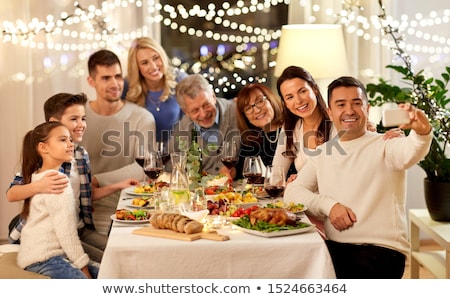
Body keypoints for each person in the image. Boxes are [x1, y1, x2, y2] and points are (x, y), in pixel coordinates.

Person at [284, 76, 432, 278]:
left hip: (381, 252)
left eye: (356, 103)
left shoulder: (386, 144)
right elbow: (292, 193)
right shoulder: (324, 152)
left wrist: (422, 132)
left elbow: (411, 149)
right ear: (330, 111)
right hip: (336, 248)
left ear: (367, 108)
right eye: (341, 104)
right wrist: (329, 206)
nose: (349, 111)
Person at [6, 93, 138, 263]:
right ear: (54, 122)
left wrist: (119, 185)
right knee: (110, 261)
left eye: (83, 118)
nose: (81, 125)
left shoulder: (81, 155)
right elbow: (11, 193)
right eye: (74, 119)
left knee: (120, 251)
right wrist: (40, 185)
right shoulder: (43, 155)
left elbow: (86, 194)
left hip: (78, 228)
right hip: (51, 234)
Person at [16, 121, 98, 279]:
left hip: (49, 255)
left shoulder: (39, 176)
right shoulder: (57, 181)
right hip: (44, 258)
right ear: (43, 148)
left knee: (109, 275)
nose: (70, 144)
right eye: (62, 140)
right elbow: (66, 233)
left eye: (70, 140)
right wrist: (83, 267)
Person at [81, 49, 156, 188]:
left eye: (118, 76)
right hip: (86, 202)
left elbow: (146, 167)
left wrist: (96, 180)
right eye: (106, 78)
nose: (115, 84)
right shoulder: (78, 116)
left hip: (130, 203)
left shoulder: (142, 117)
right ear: (91, 81)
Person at [171, 74, 240, 175]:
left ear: (213, 96)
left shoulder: (237, 112)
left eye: (206, 104)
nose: (203, 114)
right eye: (195, 110)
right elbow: (174, 168)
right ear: (185, 111)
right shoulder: (182, 129)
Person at [124, 37, 187, 142]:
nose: (153, 66)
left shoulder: (179, 79)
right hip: (141, 153)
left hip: (175, 153)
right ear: (137, 67)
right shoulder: (127, 85)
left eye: (156, 58)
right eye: (145, 63)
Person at [234, 83, 296, 179]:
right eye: (248, 108)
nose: (257, 110)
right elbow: (241, 175)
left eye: (259, 101)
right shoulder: (251, 140)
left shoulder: (293, 126)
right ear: (244, 116)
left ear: (270, 99)